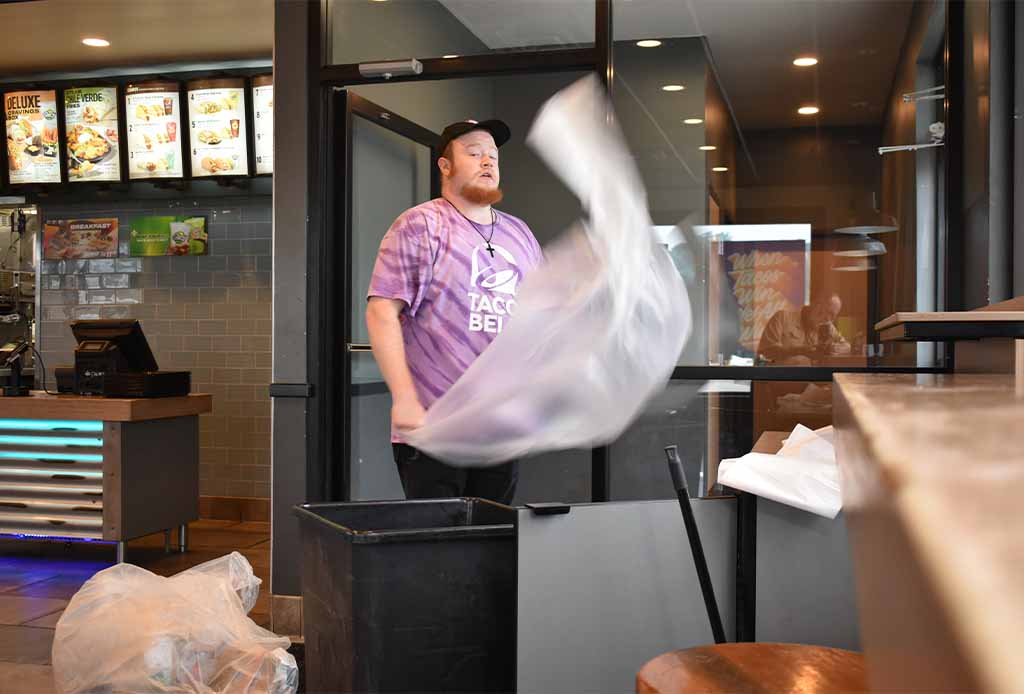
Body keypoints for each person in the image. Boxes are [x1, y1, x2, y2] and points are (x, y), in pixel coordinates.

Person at [365, 119, 544, 504]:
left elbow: (539, 317)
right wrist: (404, 398)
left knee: (493, 539)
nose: (487, 162)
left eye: (493, 155)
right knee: (437, 543)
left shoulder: (520, 234)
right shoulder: (420, 225)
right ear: (445, 166)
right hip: (435, 424)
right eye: (474, 153)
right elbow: (382, 311)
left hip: (500, 424)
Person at [756, 292, 851, 366]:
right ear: (817, 305)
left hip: (812, 385)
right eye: (829, 313)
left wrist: (835, 348)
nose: (830, 319)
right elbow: (766, 354)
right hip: (779, 382)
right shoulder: (782, 317)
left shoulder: (827, 325)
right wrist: (799, 351)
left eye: (834, 316)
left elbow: (847, 346)